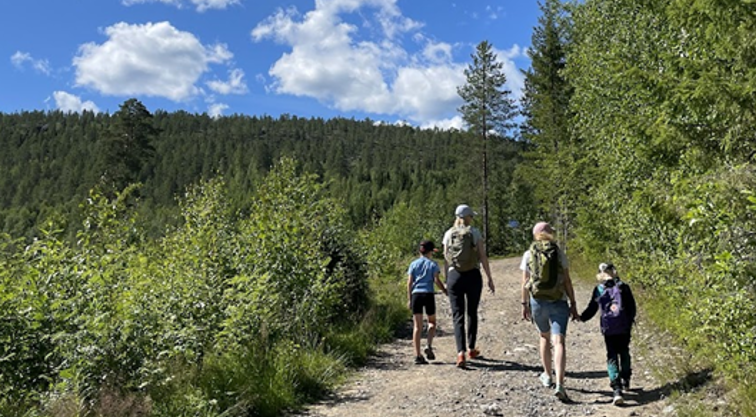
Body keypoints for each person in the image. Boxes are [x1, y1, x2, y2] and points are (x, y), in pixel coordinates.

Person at [520, 221, 578, 401]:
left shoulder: (529, 254)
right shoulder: (559, 253)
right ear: (548, 234)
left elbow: (525, 282)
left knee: (544, 337)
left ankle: (547, 375)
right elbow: (567, 281)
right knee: (559, 341)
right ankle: (560, 384)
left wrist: (524, 304)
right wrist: (573, 303)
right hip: (558, 299)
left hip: (537, 301)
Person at [443, 204, 495, 369]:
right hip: (472, 275)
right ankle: (472, 349)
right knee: (472, 312)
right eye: (471, 216)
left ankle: (460, 353)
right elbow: (482, 256)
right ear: (468, 217)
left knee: (457, 315)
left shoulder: (448, 234)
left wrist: (447, 280)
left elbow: (446, 258)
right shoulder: (474, 232)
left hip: (454, 276)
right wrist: (489, 277)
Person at [579, 262, 637, 405]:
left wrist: (581, 317)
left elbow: (592, 308)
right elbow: (632, 308)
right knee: (624, 351)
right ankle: (626, 378)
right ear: (614, 272)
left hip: (609, 329)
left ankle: (616, 389)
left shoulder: (599, 289)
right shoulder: (624, 287)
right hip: (624, 327)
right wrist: (629, 322)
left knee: (611, 355)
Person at [407, 240, 448, 364]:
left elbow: (409, 283)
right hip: (428, 294)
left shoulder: (413, 264)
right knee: (432, 322)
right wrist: (445, 290)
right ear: (430, 252)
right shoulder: (433, 264)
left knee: (417, 326)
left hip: (416, 295)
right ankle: (428, 345)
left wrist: (409, 299)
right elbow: (436, 280)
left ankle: (417, 355)